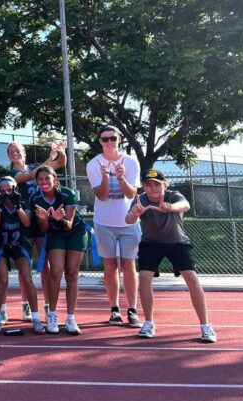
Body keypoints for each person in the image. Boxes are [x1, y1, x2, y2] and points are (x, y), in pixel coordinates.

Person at [125, 169, 217, 343]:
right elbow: (128, 220)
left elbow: (185, 205)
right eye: (148, 184)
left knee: (191, 277)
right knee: (144, 277)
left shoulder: (173, 196)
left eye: (157, 184)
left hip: (178, 242)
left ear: (164, 185)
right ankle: (149, 323)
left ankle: (205, 326)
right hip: (151, 243)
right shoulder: (140, 200)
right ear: (143, 186)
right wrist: (135, 213)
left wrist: (169, 207)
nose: (152, 188)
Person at [86, 126, 142, 328]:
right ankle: (114, 310)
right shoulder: (93, 164)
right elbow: (101, 195)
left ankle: (133, 309)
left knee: (129, 266)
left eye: (113, 138)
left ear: (119, 139)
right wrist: (105, 177)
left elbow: (130, 194)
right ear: (100, 141)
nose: (109, 142)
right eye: (105, 139)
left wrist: (120, 177)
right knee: (110, 266)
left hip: (128, 222)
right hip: (104, 222)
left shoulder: (131, 162)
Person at [8, 140, 66, 321]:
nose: (14, 153)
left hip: (42, 220)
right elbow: (31, 175)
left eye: (17, 149)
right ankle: (25, 304)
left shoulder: (36, 167)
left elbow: (60, 163)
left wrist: (60, 152)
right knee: (25, 265)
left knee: (45, 265)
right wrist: (49, 158)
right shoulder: (14, 174)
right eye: (11, 151)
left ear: (24, 151)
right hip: (24, 222)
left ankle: (48, 305)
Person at [31, 166, 88, 335]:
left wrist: (59, 218)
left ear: (55, 179)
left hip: (74, 232)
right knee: (55, 271)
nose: (44, 182)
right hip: (55, 233)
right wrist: (46, 219)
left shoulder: (67, 193)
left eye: (47, 178)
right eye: (40, 179)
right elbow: (42, 228)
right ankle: (52, 315)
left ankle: (70, 318)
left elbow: (69, 224)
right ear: (36, 182)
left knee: (71, 272)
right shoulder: (35, 198)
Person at [0, 177, 45, 334]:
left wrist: (18, 206)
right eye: (3, 190)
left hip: (19, 243)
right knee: (3, 280)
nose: (7, 193)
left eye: (10, 189)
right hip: (0, 243)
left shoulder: (23, 202)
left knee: (27, 278)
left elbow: (26, 223)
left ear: (16, 190)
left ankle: (36, 318)